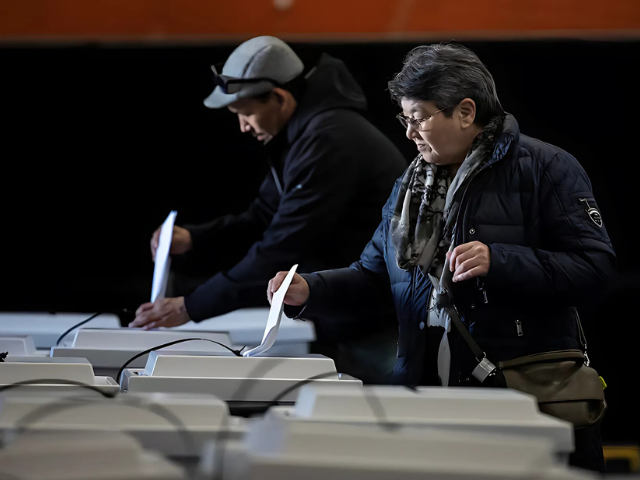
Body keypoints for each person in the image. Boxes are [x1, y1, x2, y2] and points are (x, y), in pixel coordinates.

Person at [268, 43, 615, 471]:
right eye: (405, 119)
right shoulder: (409, 185)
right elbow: (374, 276)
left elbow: (595, 269)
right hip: (425, 392)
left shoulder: (547, 167)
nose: (409, 133)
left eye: (419, 118)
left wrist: (500, 260)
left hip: (516, 397)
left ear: (465, 112)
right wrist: (308, 290)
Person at [129, 36, 407, 383]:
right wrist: (194, 239)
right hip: (345, 313)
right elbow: (263, 216)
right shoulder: (305, 135)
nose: (243, 126)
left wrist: (191, 306)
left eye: (246, 112)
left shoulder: (329, 139)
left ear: (278, 97)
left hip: (376, 322)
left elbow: (281, 246)